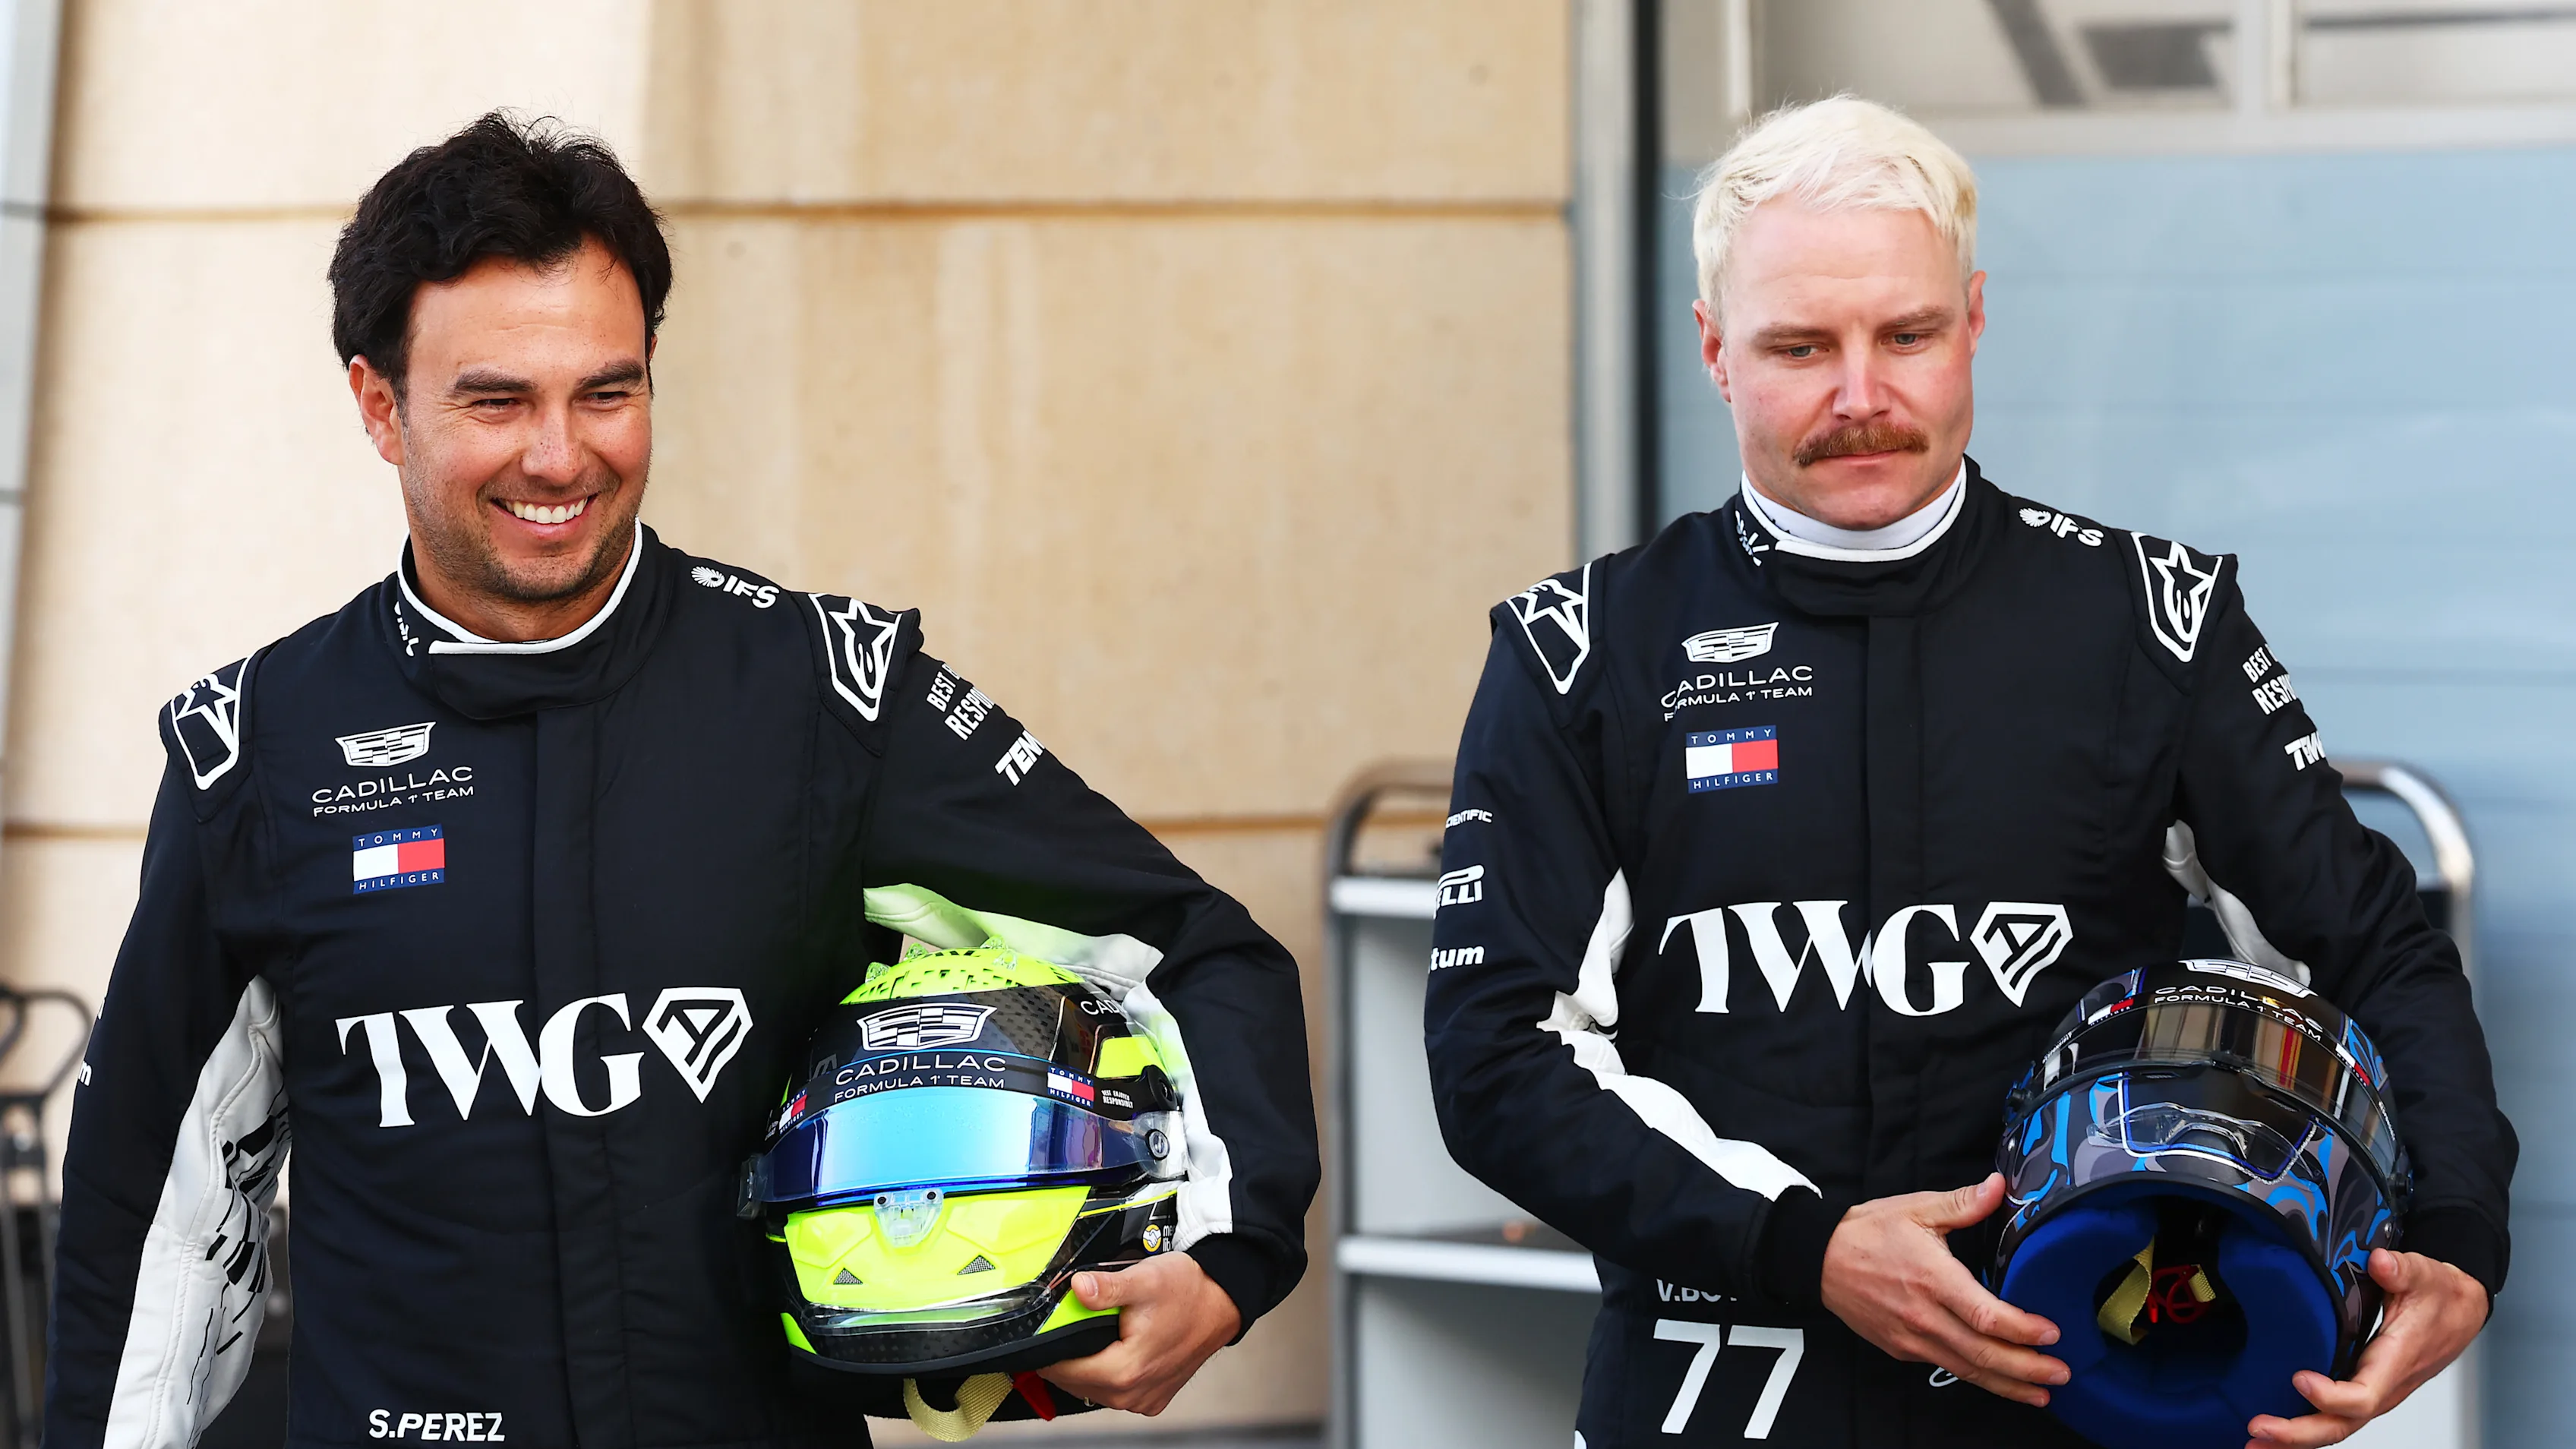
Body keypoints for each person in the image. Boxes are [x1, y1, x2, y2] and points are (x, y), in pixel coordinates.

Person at [43, 113, 1318, 1448]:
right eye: (496, 401)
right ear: (379, 404)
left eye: (608, 391)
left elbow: (1190, 947)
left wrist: (1229, 1266)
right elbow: (162, 1206)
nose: (560, 456)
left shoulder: (826, 695)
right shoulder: (259, 754)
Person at [1424, 96, 2512, 1449]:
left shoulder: (2151, 621)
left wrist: (2458, 1234)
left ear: (1976, 322)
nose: (1861, 396)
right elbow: (1494, 1058)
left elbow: (2381, 955)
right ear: (1712, 350)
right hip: (1709, 1396)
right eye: (1799, 348)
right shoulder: (1580, 651)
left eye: (1909, 335)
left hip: (2098, 1393)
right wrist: (1806, 1245)